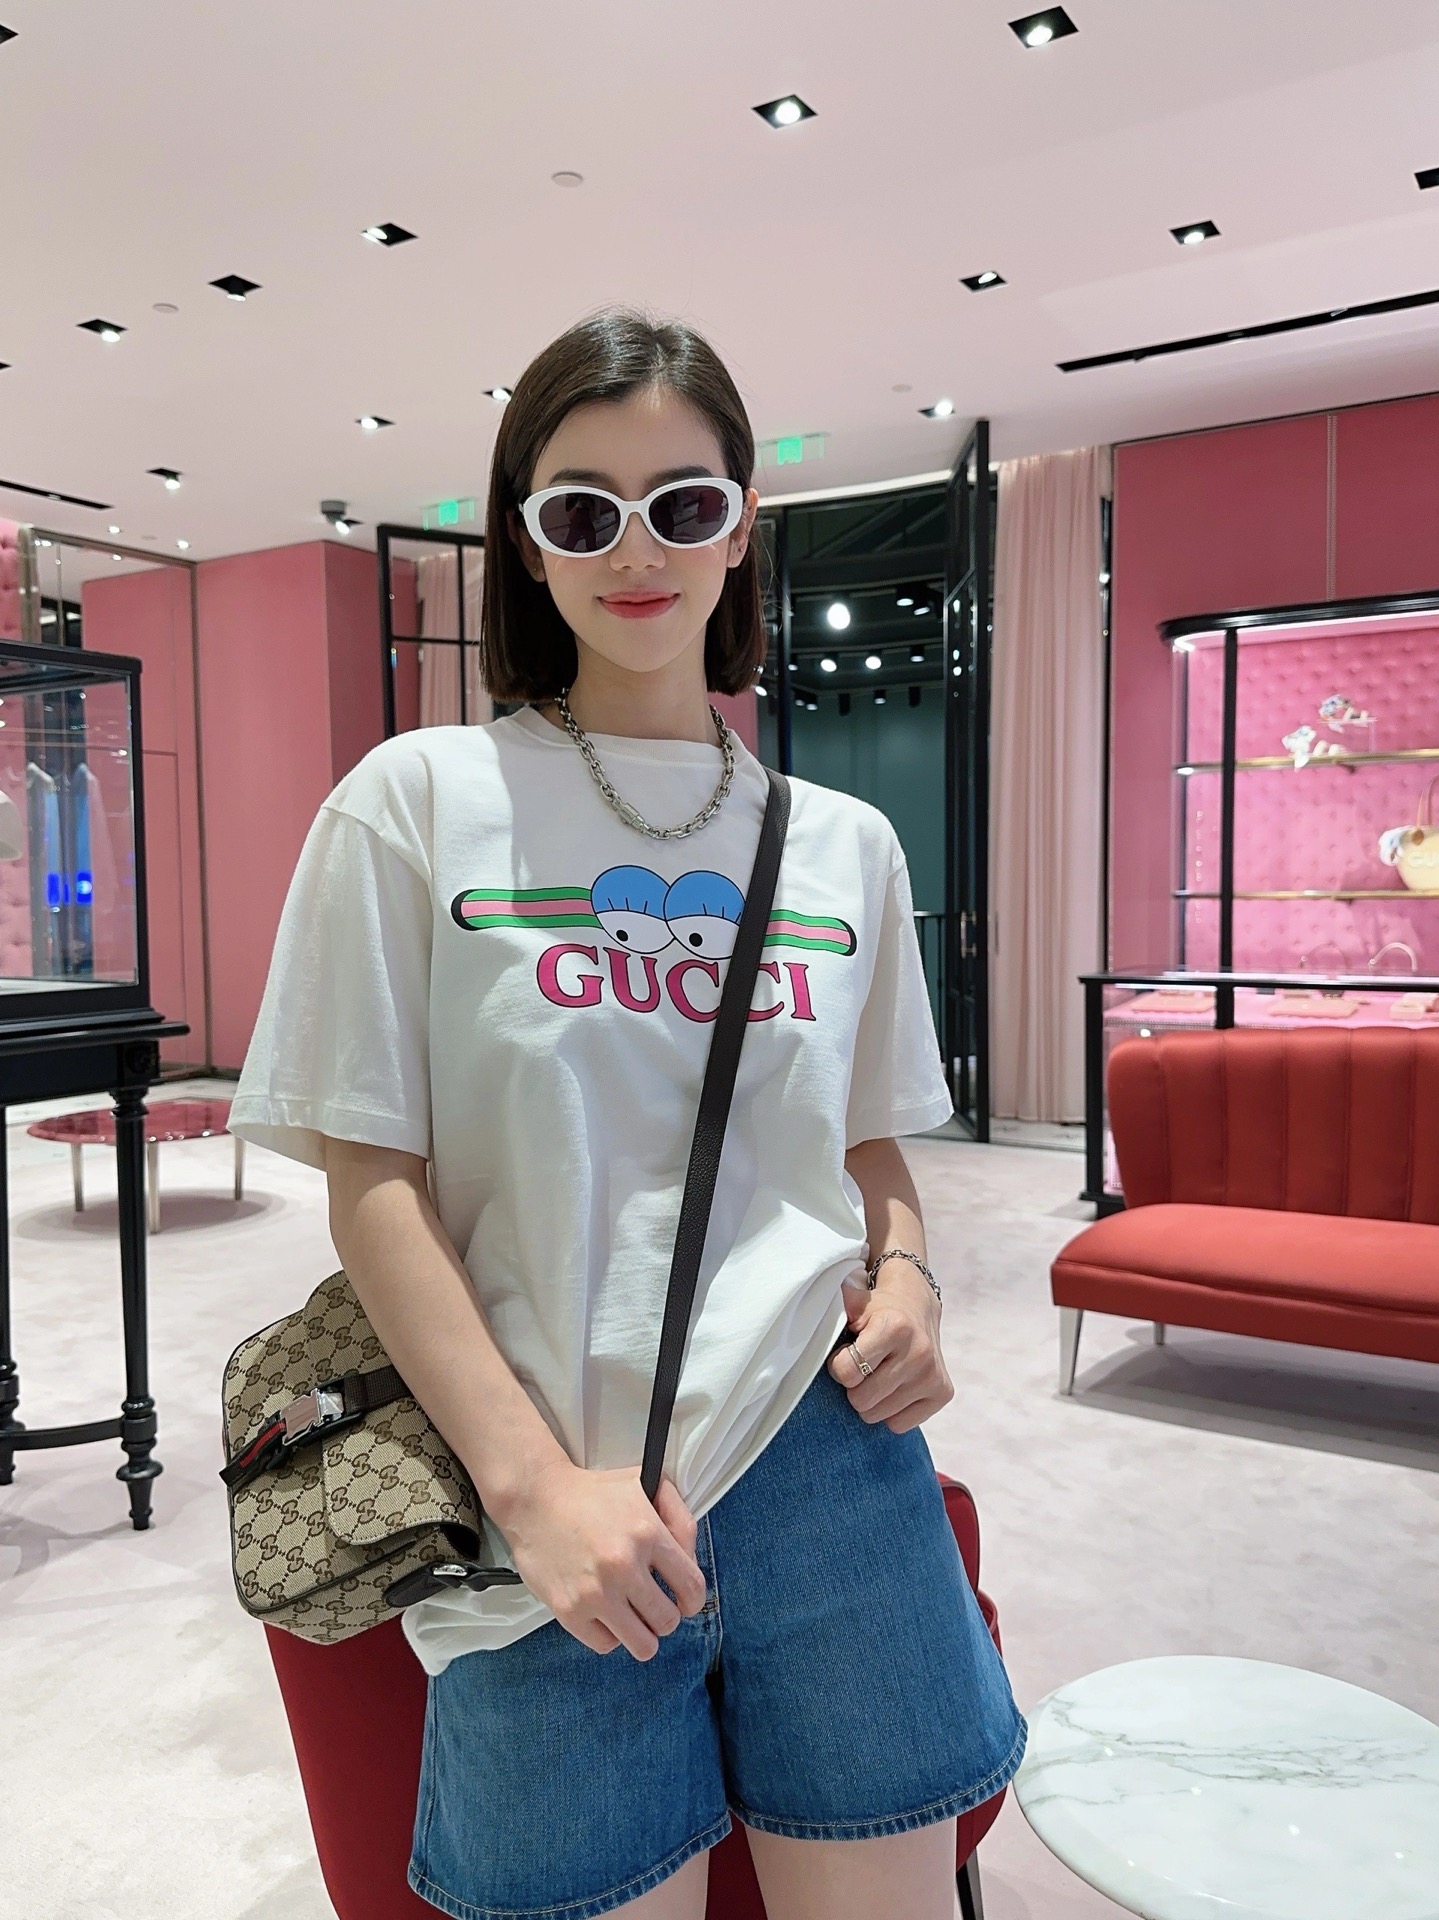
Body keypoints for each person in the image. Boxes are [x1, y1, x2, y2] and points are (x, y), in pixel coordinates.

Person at [230, 307, 1025, 1920]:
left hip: (833, 1469)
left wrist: (913, 1280)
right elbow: (372, 1182)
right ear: (528, 543)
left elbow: (866, 1142)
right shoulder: (417, 803)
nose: (638, 548)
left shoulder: (843, 845)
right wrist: (533, 1494)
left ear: (741, 526)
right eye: (584, 510)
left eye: (683, 503)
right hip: (558, 1500)